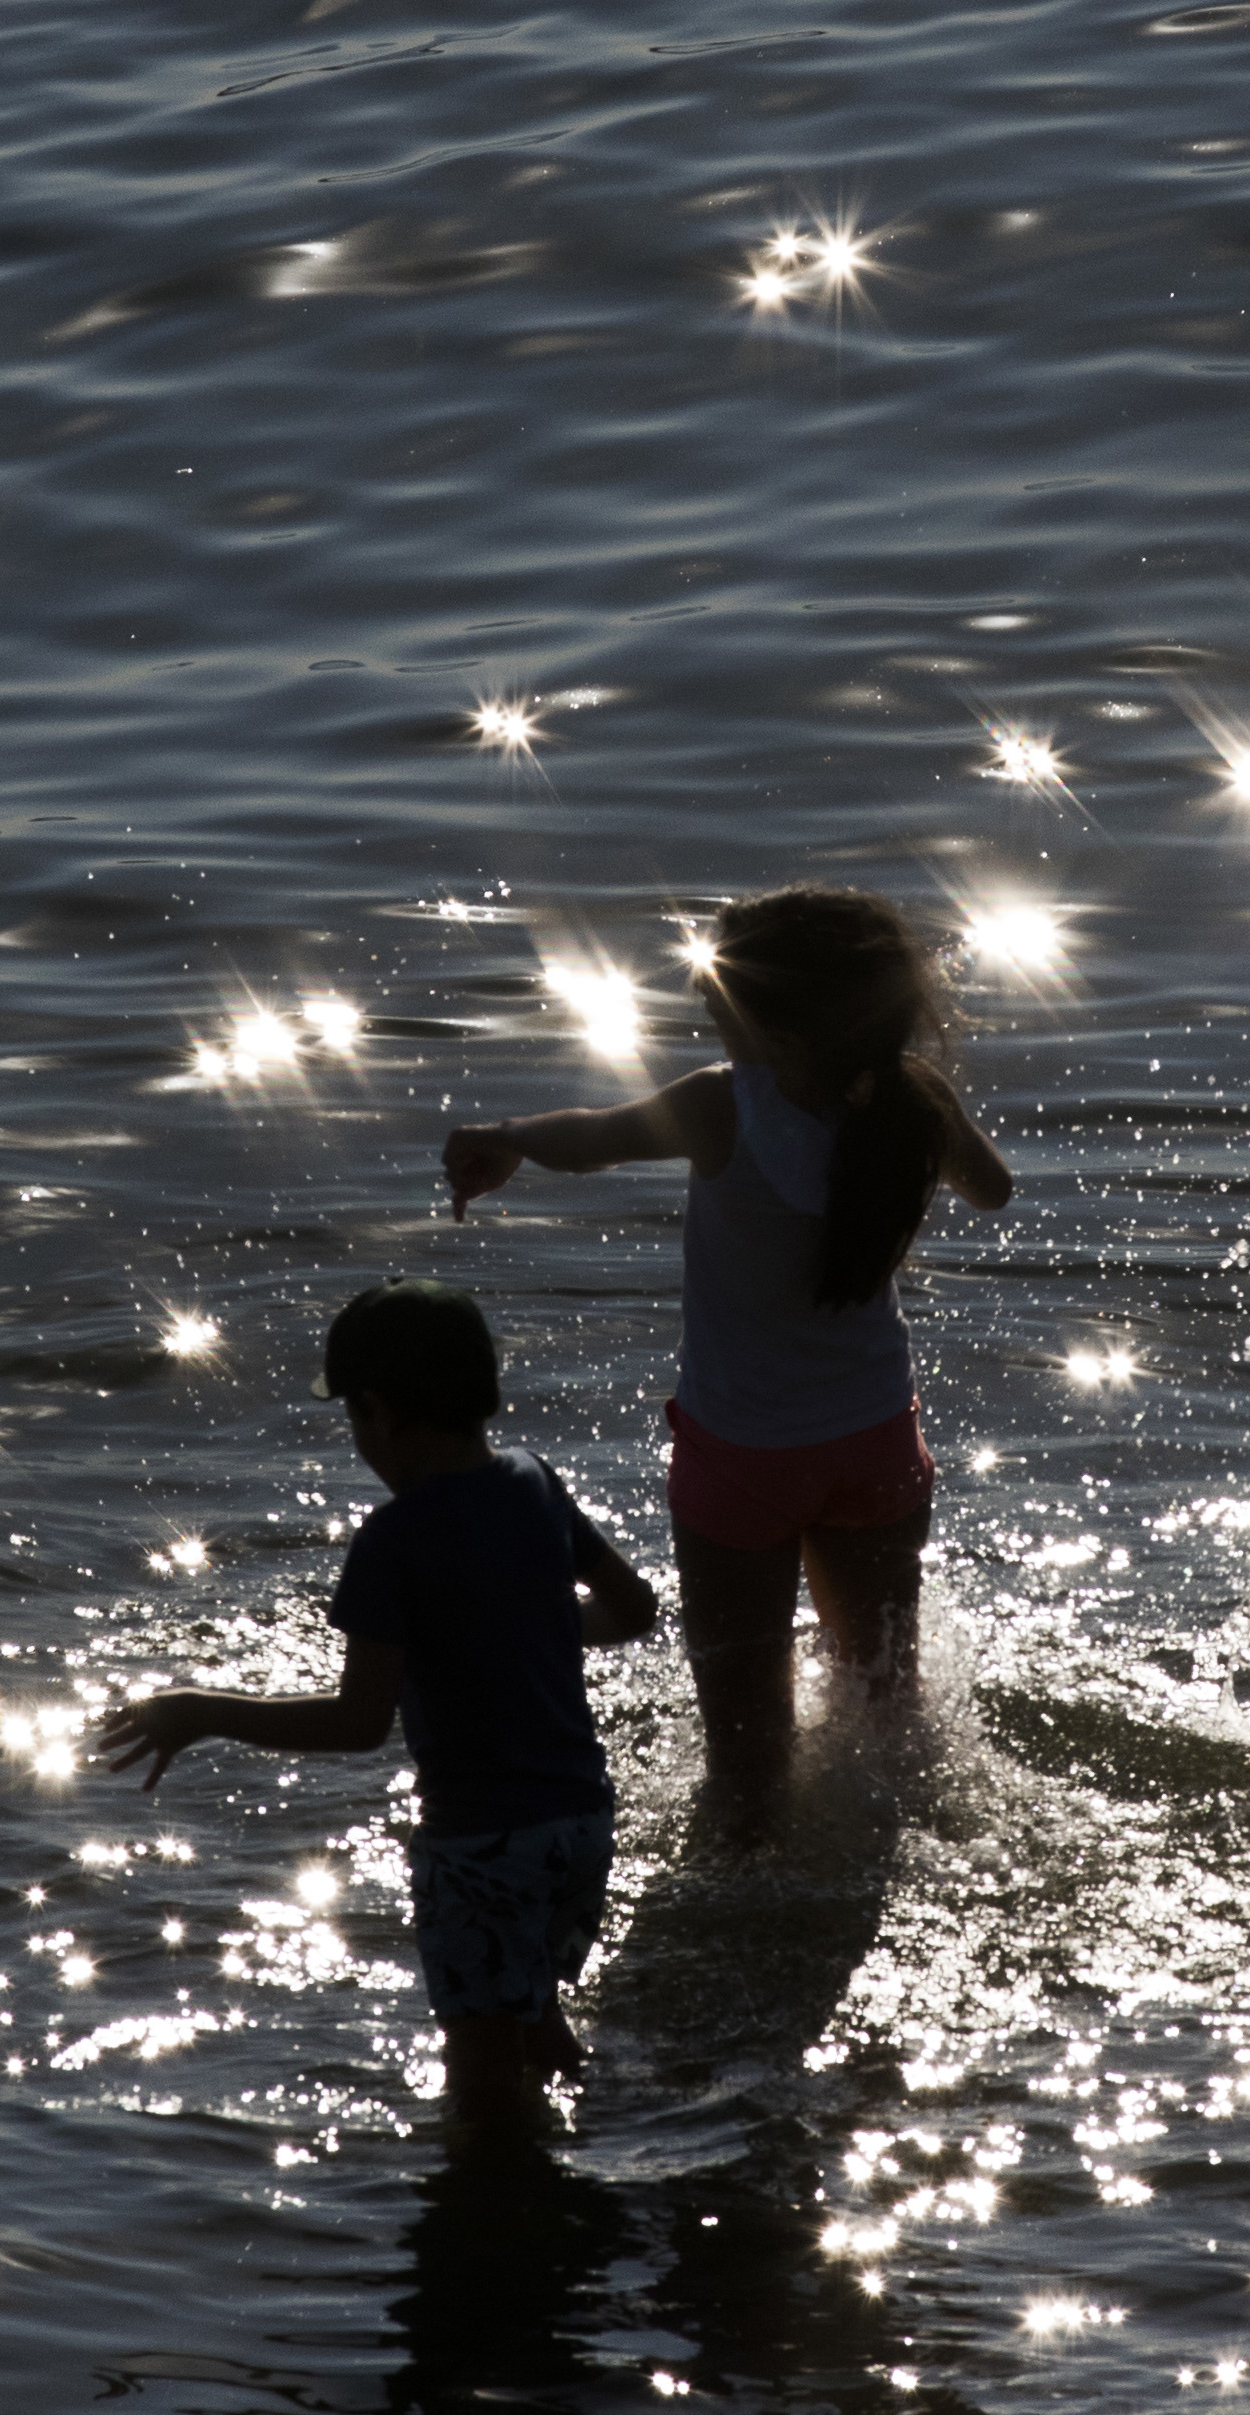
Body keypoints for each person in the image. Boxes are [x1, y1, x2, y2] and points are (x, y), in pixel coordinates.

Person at [441, 885, 1012, 1840]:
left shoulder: (723, 1106)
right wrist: (916, 1125)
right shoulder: (914, 1098)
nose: (703, 1001)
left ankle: (751, 1905)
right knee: (887, 1713)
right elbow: (992, 1192)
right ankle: (892, 1855)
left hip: (742, 1458)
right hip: (873, 1445)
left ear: (783, 1026)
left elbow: (594, 1140)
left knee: (745, 1760)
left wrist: (505, 1140)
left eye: (720, 991)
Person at [94, 1277, 660, 2117]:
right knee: (533, 2010)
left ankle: (500, 2216)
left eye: (355, 1417)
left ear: (379, 1412)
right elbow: (634, 1609)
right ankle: (621, 2128)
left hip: (482, 1844)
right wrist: (515, 1627)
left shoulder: (392, 1540)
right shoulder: (534, 1481)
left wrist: (205, 1712)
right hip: (579, 1827)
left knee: (479, 2078)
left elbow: (359, 1724)